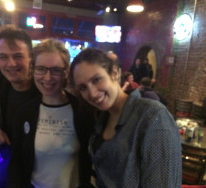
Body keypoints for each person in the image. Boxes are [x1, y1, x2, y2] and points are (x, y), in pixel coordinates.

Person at [69, 48, 182, 188]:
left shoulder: (152, 115)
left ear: (114, 73)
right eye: (83, 88)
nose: (92, 93)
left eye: (96, 80)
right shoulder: (101, 118)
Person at [8, 39, 95, 188]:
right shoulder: (24, 113)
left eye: (55, 70)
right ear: (33, 69)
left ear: (66, 72)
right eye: (41, 69)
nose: (47, 78)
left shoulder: (82, 111)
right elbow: (16, 164)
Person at [0, 25, 40, 188]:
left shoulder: (43, 87)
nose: (11, 64)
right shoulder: (1, 82)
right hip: (8, 155)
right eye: (3, 57)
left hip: (36, 166)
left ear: (31, 58)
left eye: (18, 56)